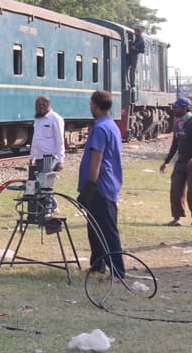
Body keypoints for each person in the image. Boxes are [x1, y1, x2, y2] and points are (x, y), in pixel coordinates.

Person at [77, 90, 125, 279]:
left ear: (95, 105)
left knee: (107, 229)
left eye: (91, 104)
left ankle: (118, 270)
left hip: (101, 186)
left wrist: (90, 185)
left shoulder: (99, 128)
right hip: (108, 183)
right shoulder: (111, 124)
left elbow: (96, 159)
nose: (90, 107)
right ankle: (98, 263)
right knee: (94, 227)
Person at [160, 97, 192, 226]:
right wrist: (166, 161)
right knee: (176, 189)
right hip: (181, 161)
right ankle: (177, 217)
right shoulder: (177, 123)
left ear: (185, 108)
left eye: (176, 107)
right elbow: (174, 145)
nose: (173, 109)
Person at [30, 95, 65, 170]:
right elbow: (35, 138)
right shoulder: (38, 119)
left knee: (45, 180)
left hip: (49, 158)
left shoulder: (56, 119)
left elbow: (60, 141)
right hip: (38, 157)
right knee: (37, 180)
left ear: (44, 105)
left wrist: (60, 161)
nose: (35, 108)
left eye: (37, 106)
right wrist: (32, 156)